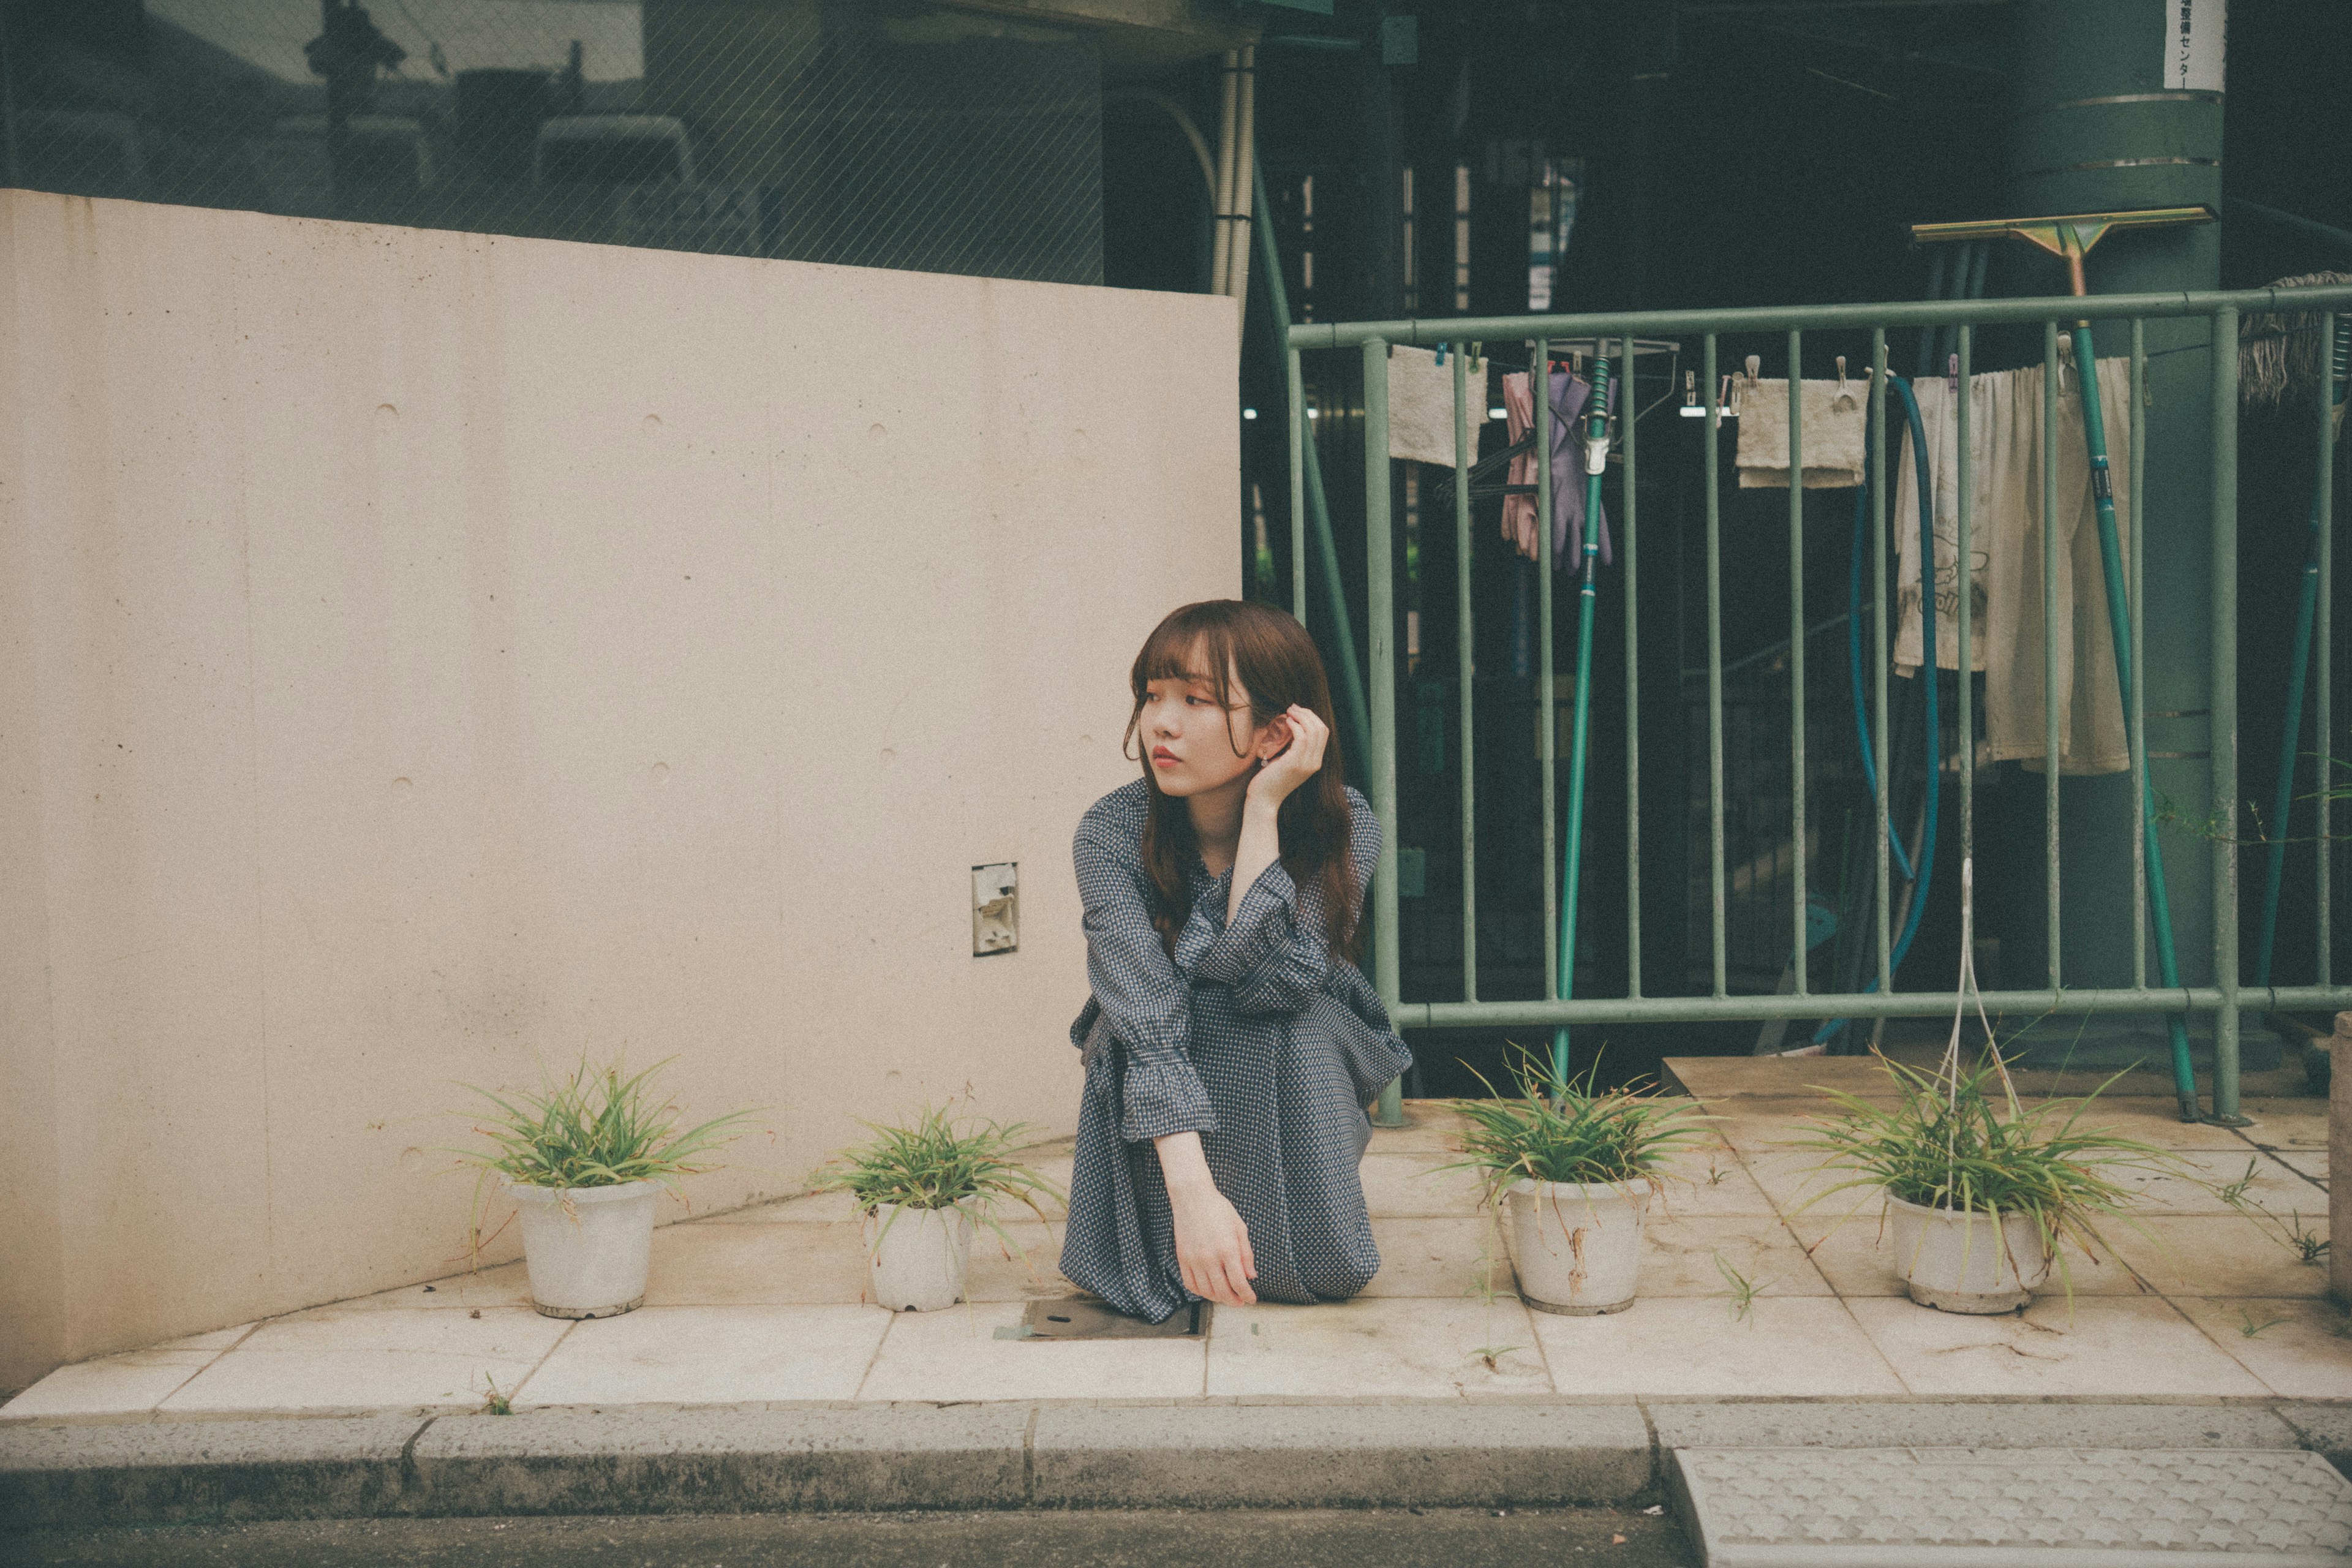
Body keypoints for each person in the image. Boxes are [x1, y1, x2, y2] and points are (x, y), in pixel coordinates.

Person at [1060, 598, 1412, 1322]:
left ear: (1276, 731)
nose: (1161, 722)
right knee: (1146, 1020)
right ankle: (1192, 1224)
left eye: (1196, 700)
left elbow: (1275, 981)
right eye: (1153, 695)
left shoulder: (1344, 825)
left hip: (1291, 1057)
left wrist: (1263, 810)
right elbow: (1147, 1019)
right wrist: (1193, 1197)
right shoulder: (1109, 831)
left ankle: (1281, 1226)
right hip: (1157, 1075)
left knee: (1284, 1008)